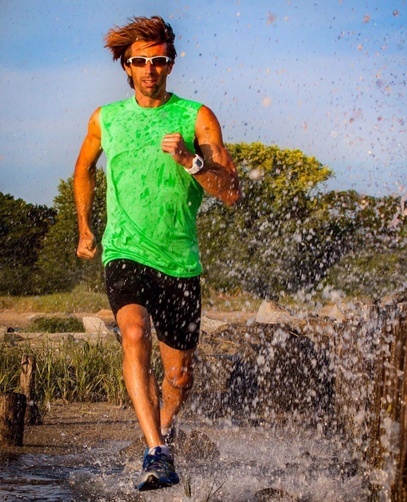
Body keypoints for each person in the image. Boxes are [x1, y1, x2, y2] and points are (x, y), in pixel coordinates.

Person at [73, 16, 240, 491]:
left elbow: (230, 192)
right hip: (124, 249)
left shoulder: (196, 116)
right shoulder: (105, 118)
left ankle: (162, 435)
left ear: (171, 64)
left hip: (179, 260)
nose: (150, 69)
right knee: (133, 332)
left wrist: (192, 160)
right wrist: (85, 227)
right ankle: (156, 449)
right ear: (127, 66)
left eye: (159, 60)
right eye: (141, 61)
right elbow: (83, 170)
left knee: (179, 376)